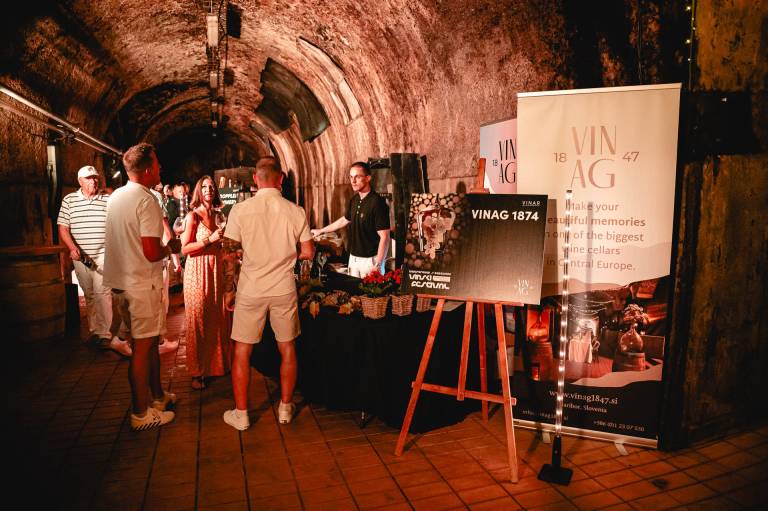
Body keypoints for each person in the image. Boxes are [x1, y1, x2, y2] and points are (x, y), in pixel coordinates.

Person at [222, 156, 314, 430]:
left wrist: (229, 289)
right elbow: (308, 252)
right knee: (287, 347)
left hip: (251, 289)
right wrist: (285, 255)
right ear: (281, 179)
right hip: (283, 288)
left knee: (242, 350)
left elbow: (229, 254)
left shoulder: (240, 210)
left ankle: (241, 414)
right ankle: (285, 407)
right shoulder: (295, 211)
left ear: (255, 179)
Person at [103, 143, 182, 431]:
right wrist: (170, 247)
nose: (161, 168)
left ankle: (158, 397)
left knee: (146, 344)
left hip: (121, 283)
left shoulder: (115, 197)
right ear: (148, 170)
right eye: (157, 164)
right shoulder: (146, 200)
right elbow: (151, 251)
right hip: (140, 284)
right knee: (142, 348)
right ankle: (140, 413)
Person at [57, 165, 131, 356]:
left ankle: (105, 334)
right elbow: (63, 227)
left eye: (96, 177)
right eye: (89, 178)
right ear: (80, 181)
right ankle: (95, 331)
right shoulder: (69, 200)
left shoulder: (106, 199)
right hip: (81, 256)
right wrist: (72, 248)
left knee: (102, 292)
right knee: (89, 294)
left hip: (103, 254)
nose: (94, 181)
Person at [180, 175, 231, 390]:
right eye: (205, 187)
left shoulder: (218, 216)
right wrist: (209, 239)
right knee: (198, 321)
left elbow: (220, 245)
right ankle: (197, 372)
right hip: (197, 273)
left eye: (211, 187)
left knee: (214, 319)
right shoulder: (193, 216)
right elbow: (185, 248)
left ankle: (215, 366)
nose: (209, 190)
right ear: (198, 192)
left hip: (215, 271)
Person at [310, 161, 390, 277]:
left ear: (368, 178)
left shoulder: (377, 202)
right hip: (353, 258)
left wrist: (378, 264)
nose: (353, 181)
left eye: (357, 177)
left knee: (370, 290)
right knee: (353, 289)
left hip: (370, 261)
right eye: (351, 177)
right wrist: (321, 230)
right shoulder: (354, 200)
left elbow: (385, 236)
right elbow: (344, 220)